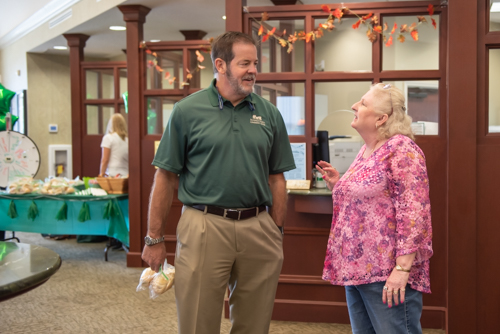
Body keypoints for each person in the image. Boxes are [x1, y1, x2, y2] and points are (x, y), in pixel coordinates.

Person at [142, 31, 296, 334]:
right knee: (198, 320)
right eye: (244, 63)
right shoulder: (187, 111)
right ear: (221, 65)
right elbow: (165, 176)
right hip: (203, 225)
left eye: (254, 63)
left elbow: (277, 177)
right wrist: (154, 238)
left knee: (255, 323)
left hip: (258, 227)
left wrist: (275, 230)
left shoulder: (269, 114)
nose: (253, 70)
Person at [316, 83, 433, 334]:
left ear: (381, 118)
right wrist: (339, 183)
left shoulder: (401, 148)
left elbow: (415, 212)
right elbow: (372, 198)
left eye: (363, 103)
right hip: (358, 271)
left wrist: (401, 270)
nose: (354, 106)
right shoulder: (367, 150)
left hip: (386, 274)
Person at [98, 113, 129, 178]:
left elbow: (105, 160)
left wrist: (101, 174)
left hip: (112, 175)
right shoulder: (128, 140)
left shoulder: (108, 138)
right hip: (126, 175)